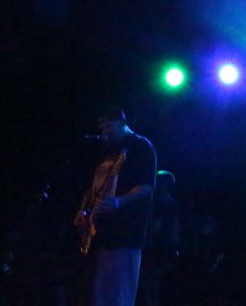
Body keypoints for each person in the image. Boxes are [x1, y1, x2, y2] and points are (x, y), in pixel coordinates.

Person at [75, 108, 157, 306]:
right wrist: (83, 209)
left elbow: (147, 186)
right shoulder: (106, 151)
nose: (105, 133)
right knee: (96, 295)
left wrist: (119, 202)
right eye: (102, 128)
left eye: (109, 127)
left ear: (122, 123)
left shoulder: (140, 146)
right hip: (98, 233)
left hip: (125, 234)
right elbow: (94, 185)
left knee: (117, 295)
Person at [138, 170, 180, 306]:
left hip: (156, 247)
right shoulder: (170, 203)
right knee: (151, 283)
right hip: (160, 247)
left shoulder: (162, 203)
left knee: (149, 282)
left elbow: (156, 227)